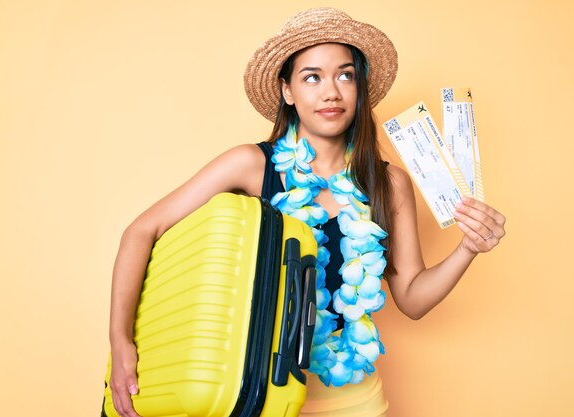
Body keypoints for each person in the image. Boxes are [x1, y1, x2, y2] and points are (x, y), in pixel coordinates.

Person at [106, 7, 506, 417]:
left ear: (359, 87)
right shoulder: (250, 165)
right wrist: (120, 340)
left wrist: (467, 249)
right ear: (287, 91)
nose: (331, 91)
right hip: (258, 395)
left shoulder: (390, 184)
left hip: (357, 401)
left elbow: (412, 300)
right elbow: (142, 231)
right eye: (312, 77)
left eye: (345, 75)